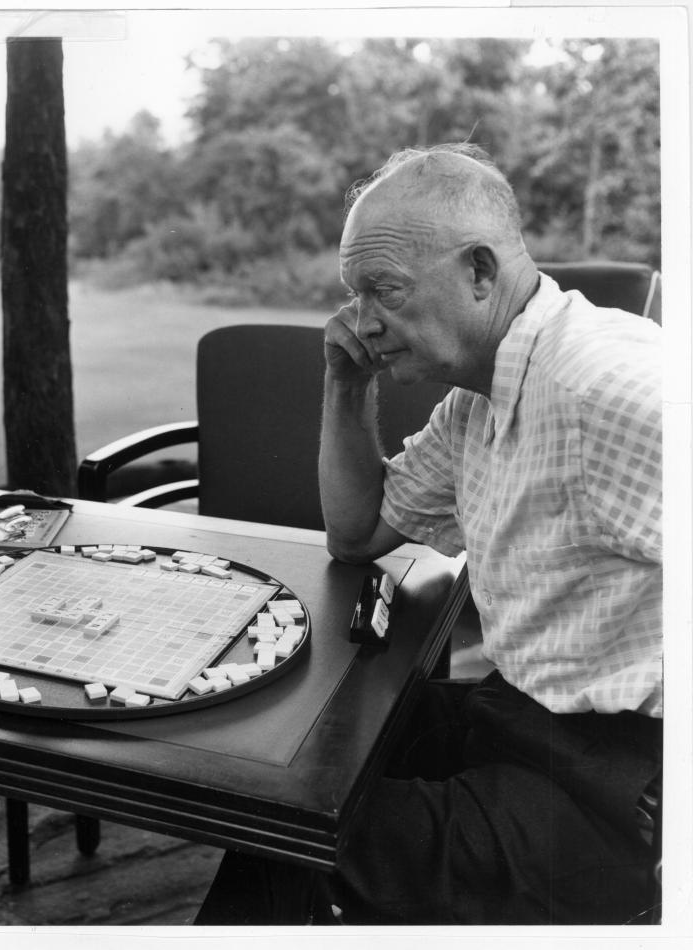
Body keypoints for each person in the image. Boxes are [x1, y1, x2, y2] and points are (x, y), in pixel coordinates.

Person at [195, 143, 662, 925]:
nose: (361, 319)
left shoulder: (601, 386)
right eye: (354, 293)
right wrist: (346, 383)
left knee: (296, 842)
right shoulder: (479, 396)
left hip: (617, 792)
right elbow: (356, 533)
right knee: (286, 787)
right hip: (524, 718)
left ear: (480, 272)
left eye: (384, 290)